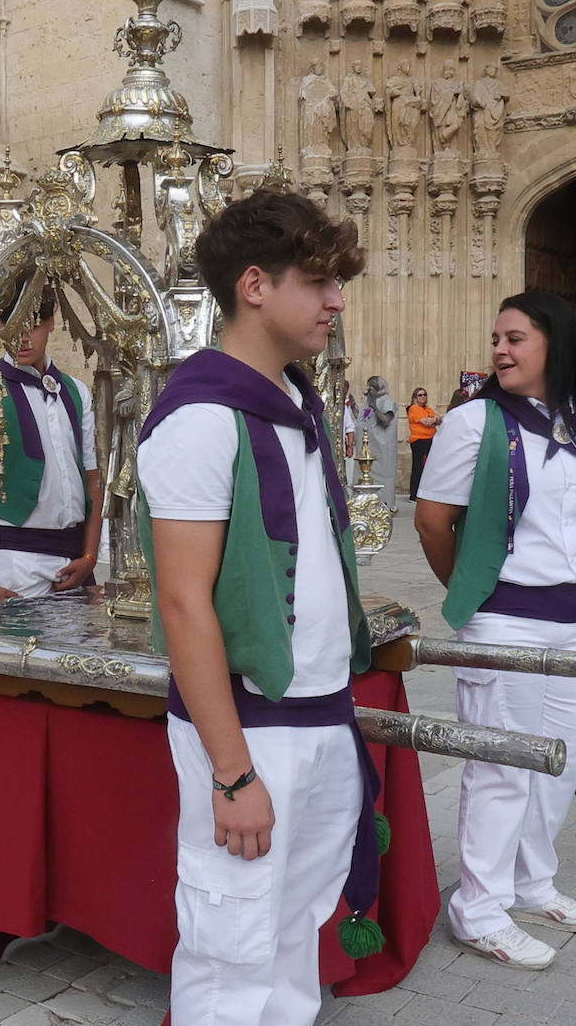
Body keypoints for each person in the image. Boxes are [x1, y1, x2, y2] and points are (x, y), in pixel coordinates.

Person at [137, 190, 383, 1025]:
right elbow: (182, 603)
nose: (335, 300)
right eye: (317, 281)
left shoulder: (297, 407)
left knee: (290, 938)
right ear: (253, 285)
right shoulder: (202, 417)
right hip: (249, 728)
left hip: (318, 717)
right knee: (231, 943)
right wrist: (232, 771)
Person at [414, 290, 576, 971]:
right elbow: (433, 521)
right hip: (507, 617)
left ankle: (530, 883)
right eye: (497, 338)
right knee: (502, 764)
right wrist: (480, 592)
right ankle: (477, 908)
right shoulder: (475, 421)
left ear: (556, 344)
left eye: (516, 338)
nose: (500, 350)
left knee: (562, 760)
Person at [0, 286, 103, 601]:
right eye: (12, 327)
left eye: (31, 325)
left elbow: (93, 479)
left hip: (73, 564)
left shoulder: (76, 392)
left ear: (50, 323)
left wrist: (89, 556)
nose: (23, 338)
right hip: (11, 563)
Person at [364, 375, 399, 509]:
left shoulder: (388, 402)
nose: (368, 391)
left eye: (371, 388)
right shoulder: (367, 403)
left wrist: (374, 406)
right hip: (369, 448)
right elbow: (363, 421)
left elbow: (385, 421)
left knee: (383, 480)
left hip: (383, 450)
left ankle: (384, 503)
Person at [406, 386, 440, 501]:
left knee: (430, 467)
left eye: (424, 394)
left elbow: (439, 420)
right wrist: (433, 420)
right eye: (420, 395)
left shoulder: (428, 409)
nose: (423, 397)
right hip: (419, 440)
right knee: (418, 467)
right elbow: (426, 422)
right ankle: (414, 494)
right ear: (415, 397)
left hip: (431, 439)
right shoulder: (414, 409)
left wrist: (434, 421)